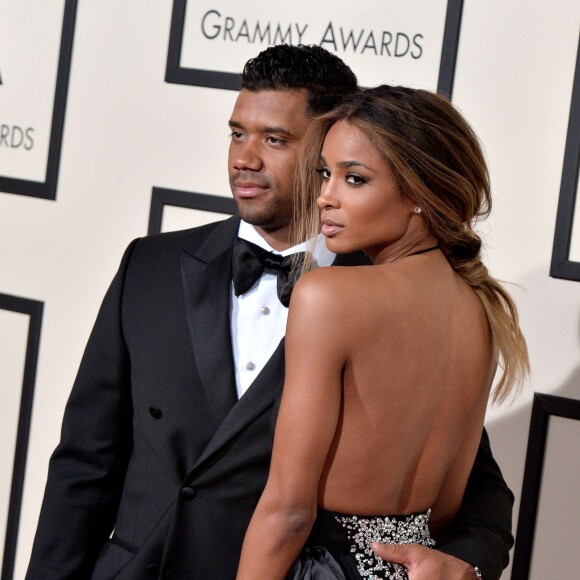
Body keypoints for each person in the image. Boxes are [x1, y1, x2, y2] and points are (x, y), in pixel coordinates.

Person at [27, 46, 514, 580]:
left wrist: (463, 564)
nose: (245, 159)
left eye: (275, 139)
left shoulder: (376, 300)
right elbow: (85, 463)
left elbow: (474, 483)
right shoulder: (151, 267)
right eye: (238, 134)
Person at [236, 85, 530, 580]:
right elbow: (446, 507)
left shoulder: (329, 297)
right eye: (325, 173)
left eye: (354, 179)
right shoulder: (481, 311)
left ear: (419, 192)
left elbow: (288, 513)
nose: (325, 197)